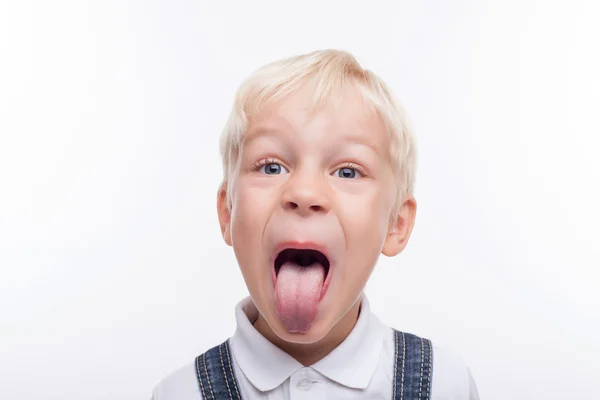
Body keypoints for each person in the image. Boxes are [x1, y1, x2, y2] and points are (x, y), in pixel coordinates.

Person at [151, 49, 479, 400]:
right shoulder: (180, 393)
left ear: (395, 224)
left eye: (348, 171)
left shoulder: (445, 385)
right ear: (228, 213)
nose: (304, 193)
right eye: (271, 167)